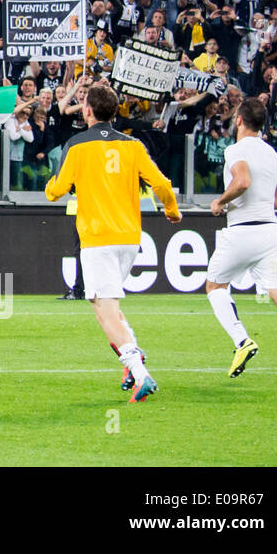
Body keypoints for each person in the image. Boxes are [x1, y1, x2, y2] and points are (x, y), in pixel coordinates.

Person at [44, 85, 181, 402]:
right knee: (107, 306)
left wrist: (52, 183)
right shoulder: (132, 145)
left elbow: (56, 190)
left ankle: (139, 372)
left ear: (87, 111)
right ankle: (134, 359)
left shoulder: (77, 145)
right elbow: (160, 183)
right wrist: (171, 211)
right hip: (130, 238)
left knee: (105, 310)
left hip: (97, 238)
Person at [205, 97, 277, 388]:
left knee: (215, 286)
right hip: (272, 232)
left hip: (242, 231)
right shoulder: (272, 155)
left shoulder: (235, 150)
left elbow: (242, 182)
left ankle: (242, 340)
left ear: (239, 120)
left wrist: (221, 202)